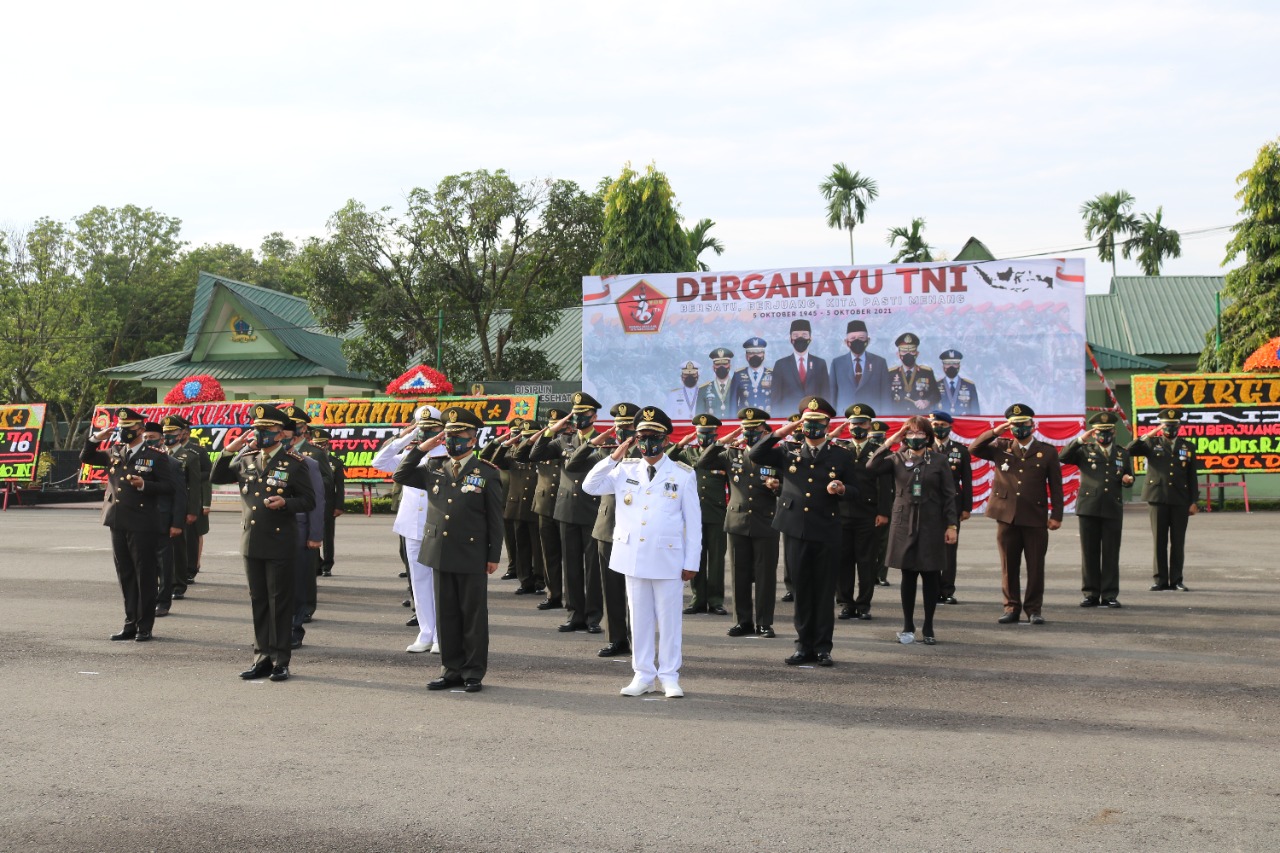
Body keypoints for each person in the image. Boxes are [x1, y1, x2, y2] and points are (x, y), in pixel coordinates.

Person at [583, 406, 700, 698]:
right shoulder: (624, 469)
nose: (648, 443)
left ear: (666, 439)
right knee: (640, 619)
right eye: (642, 437)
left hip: (668, 559)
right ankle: (643, 675)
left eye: (654, 437)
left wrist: (692, 562)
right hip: (633, 556)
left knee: (670, 621)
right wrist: (614, 456)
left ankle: (670, 676)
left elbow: (694, 523)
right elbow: (589, 486)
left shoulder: (683, 474)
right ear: (635, 439)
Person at [393, 407, 504, 693]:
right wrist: (421, 448)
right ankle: (450, 669)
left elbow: (494, 518)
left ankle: (473, 671)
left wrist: (493, 556)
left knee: (472, 615)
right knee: (447, 615)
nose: (453, 441)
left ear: (473, 438)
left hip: (471, 553)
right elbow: (401, 474)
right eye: (449, 436)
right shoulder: (434, 466)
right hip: (439, 551)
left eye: (459, 436)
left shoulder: (487, 473)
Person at [211, 404, 317, 682]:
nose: (259, 433)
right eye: (257, 428)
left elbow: (309, 500)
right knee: (258, 601)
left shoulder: (294, 463)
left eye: (266, 429)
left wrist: (285, 503)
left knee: (279, 602)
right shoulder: (247, 458)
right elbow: (217, 477)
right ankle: (261, 657)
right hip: (252, 541)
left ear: (280, 433)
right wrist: (230, 449)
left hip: (280, 541)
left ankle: (280, 660)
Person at [750, 396, 857, 666]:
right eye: (807, 423)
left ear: (826, 424)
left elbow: (858, 490)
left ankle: (822, 647)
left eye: (817, 423)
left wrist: (842, 489)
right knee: (801, 590)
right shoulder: (788, 451)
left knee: (823, 591)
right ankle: (802, 646)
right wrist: (780, 432)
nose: (812, 428)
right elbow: (755, 454)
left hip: (827, 529)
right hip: (795, 529)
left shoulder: (841, 454)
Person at [79, 408, 181, 643]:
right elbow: (86, 457)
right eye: (121, 428)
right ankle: (129, 623)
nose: (124, 432)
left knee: (144, 574)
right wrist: (95, 438)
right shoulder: (114, 451)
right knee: (125, 574)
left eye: (129, 428)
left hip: (143, 522)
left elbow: (169, 487)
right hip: (117, 520)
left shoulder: (156, 456)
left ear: (140, 429)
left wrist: (145, 484)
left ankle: (144, 625)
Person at [970, 403, 1064, 625]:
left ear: (1033, 425)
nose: (1020, 428)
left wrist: (1056, 515)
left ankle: (1033, 609)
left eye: (1024, 424)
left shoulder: (1047, 451)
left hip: (1035, 516)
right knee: (1008, 565)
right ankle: (1011, 607)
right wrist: (995, 432)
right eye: (1015, 425)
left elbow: (1056, 486)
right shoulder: (1001, 446)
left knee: (1035, 566)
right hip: (1006, 515)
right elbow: (973, 449)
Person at [868, 417, 958, 645]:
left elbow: (949, 495)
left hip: (931, 522)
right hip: (903, 522)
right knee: (908, 574)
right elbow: (871, 467)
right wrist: (890, 442)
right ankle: (908, 625)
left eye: (920, 434)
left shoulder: (939, 460)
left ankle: (928, 626)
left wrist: (951, 525)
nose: (915, 438)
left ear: (928, 437)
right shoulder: (896, 458)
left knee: (930, 574)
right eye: (911, 433)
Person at [696, 407, 781, 637]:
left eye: (754, 429)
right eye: (746, 429)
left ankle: (764, 622)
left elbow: (789, 485)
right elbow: (703, 462)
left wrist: (778, 487)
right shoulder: (731, 453)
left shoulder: (776, 454)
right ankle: (743, 621)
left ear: (765, 431)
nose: (750, 433)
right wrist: (723, 440)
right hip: (736, 520)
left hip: (766, 521)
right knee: (739, 573)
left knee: (765, 576)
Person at [565, 403, 639, 657]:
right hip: (607, 528)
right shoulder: (608, 453)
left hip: (636, 529)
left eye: (627, 427)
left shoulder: (647, 454)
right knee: (612, 589)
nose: (621, 432)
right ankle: (617, 639)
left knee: (637, 591)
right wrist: (600, 445)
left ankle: (638, 638)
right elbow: (573, 466)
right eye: (618, 427)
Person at [371, 406, 444, 653]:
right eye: (421, 429)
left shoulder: (448, 455)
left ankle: (441, 636)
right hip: (412, 526)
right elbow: (378, 462)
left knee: (440, 582)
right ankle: (426, 633)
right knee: (419, 581)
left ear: (441, 429)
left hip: (438, 527)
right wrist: (405, 438)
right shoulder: (410, 454)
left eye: (430, 429)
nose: (425, 434)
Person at [530, 392, 604, 633]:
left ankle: (593, 617)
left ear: (594, 415)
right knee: (571, 565)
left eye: (584, 414)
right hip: (566, 509)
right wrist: (552, 430)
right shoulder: (563, 440)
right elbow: (535, 454)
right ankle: (575, 614)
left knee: (593, 568)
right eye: (576, 415)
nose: (580, 419)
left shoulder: (604, 441)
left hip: (592, 509)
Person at [1060, 412, 1134, 607]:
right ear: (1094, 434)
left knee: (1111, 552)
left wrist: (1128, 480)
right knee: (1089, 552)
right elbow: (1063, 457)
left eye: (1107, 431)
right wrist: (1079, 439)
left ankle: (1109, 594)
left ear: (1114, 431)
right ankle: (1091, 593)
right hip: (1089, 507)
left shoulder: (1122, 453)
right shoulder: (1085, 451)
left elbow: (1128, 477)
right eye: (1100, 432)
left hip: (1112, 507)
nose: (1104, 435)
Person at [1128, 407, 1200, 592]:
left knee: (1178, 541)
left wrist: (1194, 501)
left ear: (1179, 426)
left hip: (1180, 499)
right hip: (1157, 498)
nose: (1170, 429)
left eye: (1173, 426)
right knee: (1159, 540)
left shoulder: (1187, 446)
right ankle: (1160, 579)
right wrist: (1150, 433)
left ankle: (1176, 580)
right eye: (1166, 426)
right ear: (1161, 427)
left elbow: (1192, 476)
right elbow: (1129, 449)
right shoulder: (1152, 443)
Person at [833, 403, 892, 621]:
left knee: (866, 561)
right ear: (848, 426)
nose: (857, 427)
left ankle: (864, 604)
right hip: (841, 513)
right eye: (853, 424)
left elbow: (885, 485)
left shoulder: (878, 451)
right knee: (843, 560)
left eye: (862, 423)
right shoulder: (839, 450)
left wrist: (884, 512)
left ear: (869, 425)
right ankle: (846, 603)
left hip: (868, 514)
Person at [669, 413, 729, 616]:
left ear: (715, 434)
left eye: (708, 433)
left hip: (716, 513)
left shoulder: (722, 455)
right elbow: (667, 459)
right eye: (701, 433)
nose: (704, 437)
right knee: (695, 557)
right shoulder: (687, 454)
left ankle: (716, 600)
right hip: (691, 515)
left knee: (716, 560)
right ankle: (698, 599)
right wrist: (678, 445)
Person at [280, 406, 326, 648]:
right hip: (271, 533)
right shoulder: (259, 458)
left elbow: (317, 500)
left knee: (297, 584)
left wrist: (315, 534)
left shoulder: (308, 462)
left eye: (285, 436)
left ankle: (294, 629)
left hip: (299, 531)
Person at [155, 416, 200, 617]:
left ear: (180, 434)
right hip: (161, 506)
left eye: (172, 433)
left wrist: (192, 510)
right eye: (166, 434)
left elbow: (195, 486)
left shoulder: (189, 456)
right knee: (162, 549)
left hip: (180, 505)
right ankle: (165, 582)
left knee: (178, 546)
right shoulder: (156, 454)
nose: (168, 437)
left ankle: (179, 584)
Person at [930, 411, 973, 605]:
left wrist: (966, 507)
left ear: (950, 426)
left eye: (941, 424)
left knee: (949, 549)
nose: (938, 428)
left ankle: (947, 590)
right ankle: (932, 589)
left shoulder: (960, 450)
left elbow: (967, 481)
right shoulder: (925, 447)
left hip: (952, 505)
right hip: (928, 504)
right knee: (929, 548)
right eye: (934, 424)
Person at [531, 407, 569, 611]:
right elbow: (526, 454)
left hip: (567, 505)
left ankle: (574, 597)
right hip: (545, 506)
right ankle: (553, 594)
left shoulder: (569, 443)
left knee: (572, 556)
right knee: (550, 554)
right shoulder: (547, 443)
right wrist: (545, 433)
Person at [769, 319, 830, 414]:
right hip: (788, 417)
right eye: (796, 336)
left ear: (810, 338)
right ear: (790, 339)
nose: (800, 338)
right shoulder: (781, 365)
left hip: (814, 415)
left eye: (804, 335)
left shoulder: (820, 363)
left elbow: (826, 395)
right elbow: (775, 398)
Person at [831, 320, 890, 414]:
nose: (857, 341)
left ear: (868, 340)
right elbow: (833, 394)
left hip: (873, 416)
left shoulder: (880, 362)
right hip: (844, 417)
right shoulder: (837, 363)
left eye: (861, 338)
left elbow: (886, 396)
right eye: (853, 338)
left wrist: (886, 418)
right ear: (847, 342)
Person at [310, 427, 345, 577]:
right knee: (311, 533)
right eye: (316, 444)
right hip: (311, 502)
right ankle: (316, 563)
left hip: (327, 503)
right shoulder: (307, 459)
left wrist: (339, 506)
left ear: (327, 444)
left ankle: (327, 565)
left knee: (327, 535)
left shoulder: (335, 463)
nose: (320, 447)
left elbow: (340, 487)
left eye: (322, 444)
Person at [887, 332, 940, 415]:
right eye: (904, 351)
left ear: (917, 353)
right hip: (898, 418)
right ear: (898, 354)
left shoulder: (926, 373)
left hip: (920, 418)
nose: (908, 354)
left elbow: (936, 395)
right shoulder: (890, 374)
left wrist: (927, 401)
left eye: (912, 351)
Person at [868, 419, 893, 588]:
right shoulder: (865, 456)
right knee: (869, 544)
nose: (876, 442)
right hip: (867, 504)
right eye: (873, 438)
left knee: (884, 543)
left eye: (879, 438)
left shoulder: (890, 456)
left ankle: (881, 574)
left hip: (886, 503)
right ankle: (869, 573)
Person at [732, 337, 773, 410]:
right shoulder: (738, 376)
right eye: (751, 353)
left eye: (758, 352)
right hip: (745, 419)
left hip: (767, 418)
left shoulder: (773, 374)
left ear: (763, 355)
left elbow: (778, 402)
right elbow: (733, 404)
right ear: (746, 356)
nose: (755, 356)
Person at [937, 350, 980, 417]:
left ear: (959, 365)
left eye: (955, 363)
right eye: (948, 363)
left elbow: (976, 414)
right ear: (943, 366)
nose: (951, 366)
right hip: (942, 425)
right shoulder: (935, 386)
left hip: (964, 425)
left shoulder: (970, 386)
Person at [696, 348, 736, 419]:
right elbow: (699, 417)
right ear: (713, 367)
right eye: (718, 364)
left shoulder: (738, 388)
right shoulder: (703, 390)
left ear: (730, 366)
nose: (721, 367)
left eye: (724, 363)